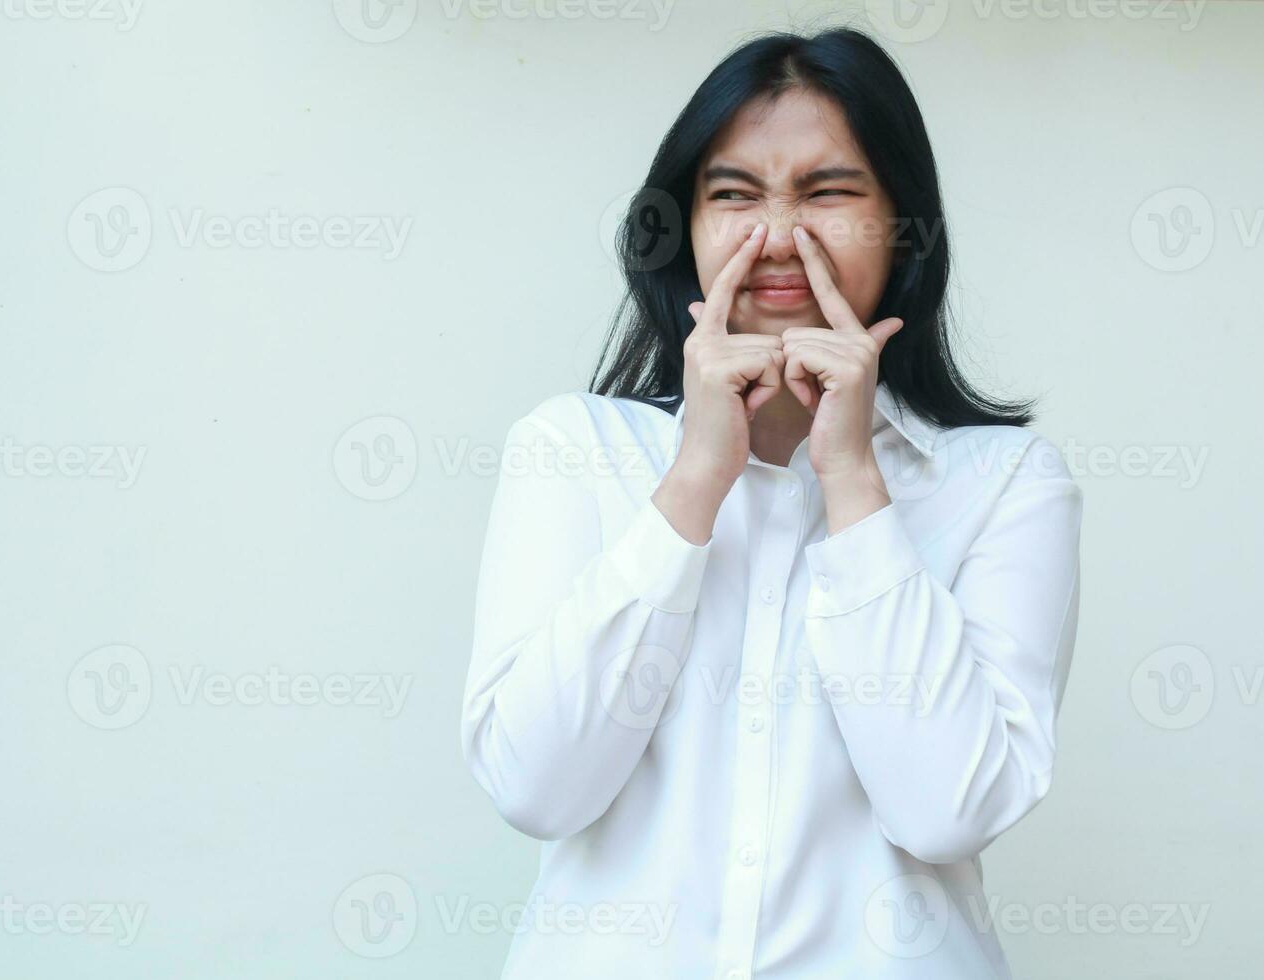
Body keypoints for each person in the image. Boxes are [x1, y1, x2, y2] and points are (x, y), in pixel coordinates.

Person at [461, 25, 1083, 980]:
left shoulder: (1004, 482)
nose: (781, 235)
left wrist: (854, 484)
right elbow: (537, 788)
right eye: (734, 195)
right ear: (684, 230)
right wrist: (695, 480)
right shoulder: (570, 451)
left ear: (903, 226)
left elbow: (947, 811)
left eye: (829, 192)